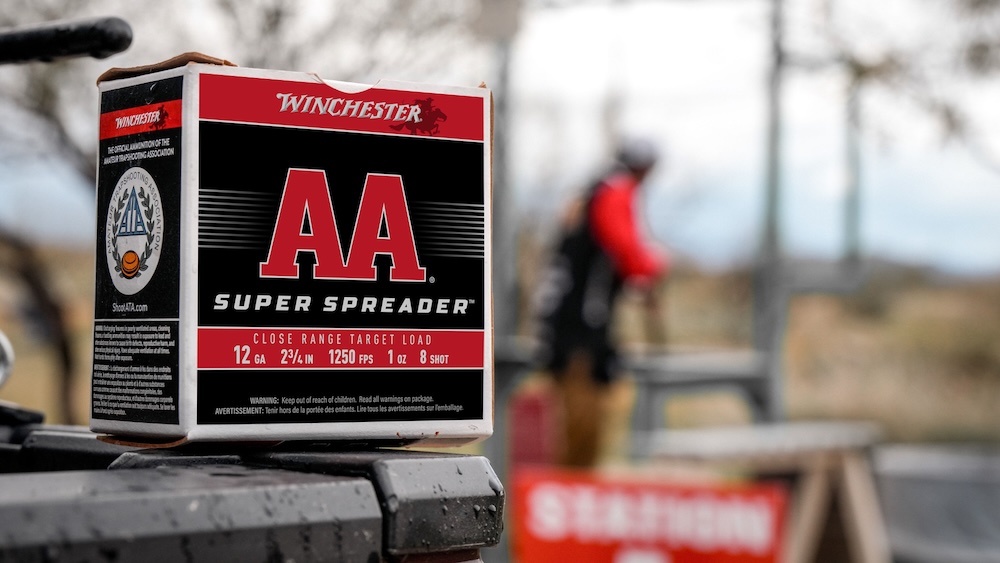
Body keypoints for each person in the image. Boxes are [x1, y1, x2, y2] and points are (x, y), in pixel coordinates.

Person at [534, 137, 669, 467]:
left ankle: (568, 484)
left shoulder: (591, 192)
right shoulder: (614, 191)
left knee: (576, 424)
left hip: (565, 322)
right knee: (583, 425)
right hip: (581, 330)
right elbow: (625, 247)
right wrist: (654, 266)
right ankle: (570, 489)